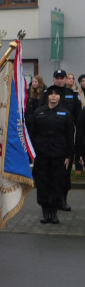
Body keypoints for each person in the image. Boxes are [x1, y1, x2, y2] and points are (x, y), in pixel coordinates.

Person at [29, 84, 74, 224]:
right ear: (47, 96)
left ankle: (53, 213)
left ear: (60, 97)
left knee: (56, 182)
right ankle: (45, 212)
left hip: (58, 153)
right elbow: (32, 134)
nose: (53, 96)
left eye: (56, 93)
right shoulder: (39, 112)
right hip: (41, 153)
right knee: (42, 182)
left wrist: (69, 156)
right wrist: (32, 154)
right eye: (51, 93)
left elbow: (69, 136)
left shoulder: (65, 114)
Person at [50, 69, 81, 211]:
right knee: (51, 171)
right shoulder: (49, 94)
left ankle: (63, 199)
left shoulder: (72, 95)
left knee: (66, 170)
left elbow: (78, 117)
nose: (59, 80)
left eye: (61, 78)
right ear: (53, 79)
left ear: (65, 79)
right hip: (50, 137)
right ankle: (52, 200)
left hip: (66, 137)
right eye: (57, 77)